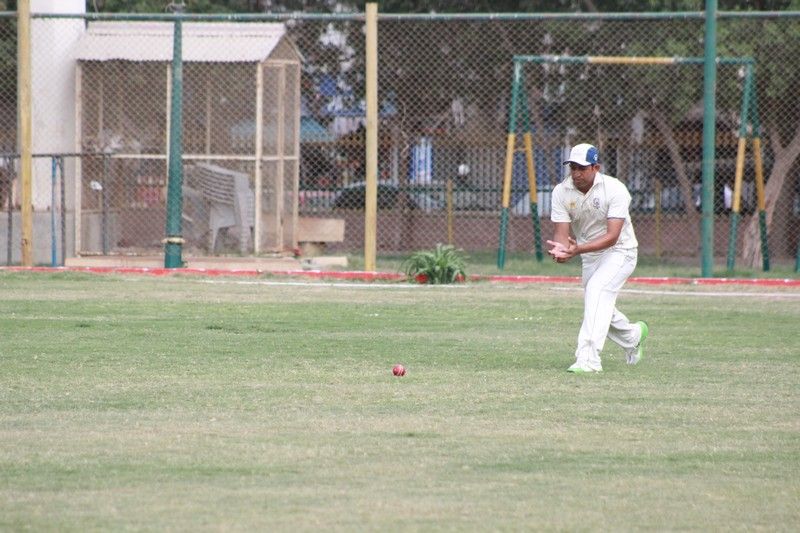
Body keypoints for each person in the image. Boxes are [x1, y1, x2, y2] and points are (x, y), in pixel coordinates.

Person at [547, 143, 648, 373]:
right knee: (598, 304)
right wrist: (561, 251)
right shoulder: (561, 192)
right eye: (573, 167)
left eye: (582, 168)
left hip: (621, 251)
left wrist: (577, 250)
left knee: (597, 292)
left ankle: (588, 360)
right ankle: (633, 336)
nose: (576, 173)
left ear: (596, 167)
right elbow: (561, 235)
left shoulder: (615, 189)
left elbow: (612, 237)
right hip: (589, 255)